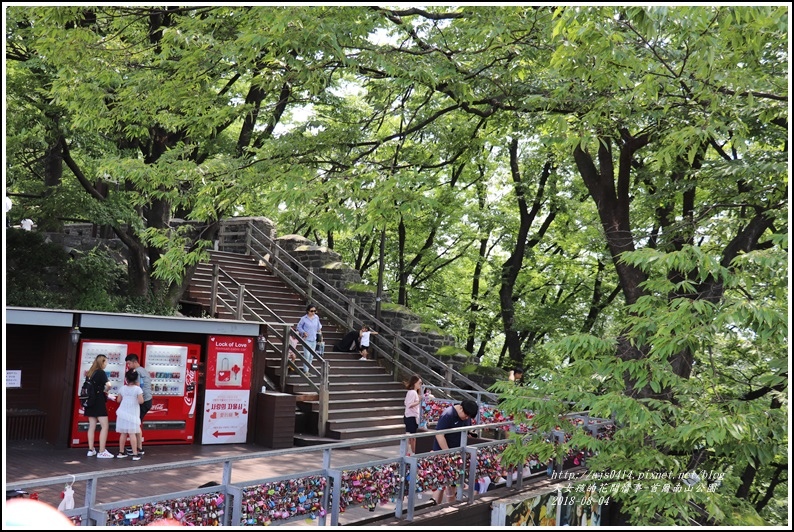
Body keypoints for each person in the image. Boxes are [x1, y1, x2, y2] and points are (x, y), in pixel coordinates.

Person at [431, 399, 479, 504]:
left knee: (452, 484)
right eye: (466, 415)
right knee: (441, 484)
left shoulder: (466, 416)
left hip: (457, 454)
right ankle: (434, 506)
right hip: (444, 453)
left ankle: (451, 506)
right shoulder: (448, 414)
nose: (466, 418)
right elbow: (439, 435)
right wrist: (447, 453)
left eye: (469, 417)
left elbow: (467, 429)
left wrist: (471, 433)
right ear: (461, 408)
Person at [84, 354, 114, 458]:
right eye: (105, 362)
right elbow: (109, 385)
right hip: (98, 401)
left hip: (89, 402)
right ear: (102, 362)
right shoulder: (101, 372)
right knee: (104, 426)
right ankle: (102, 451)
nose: (106, 364)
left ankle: (91, 449)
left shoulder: (90, 373)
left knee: (91, 426)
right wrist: (106, 391)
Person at [125, 354, 152, 455]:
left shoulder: (137, 372)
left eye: (129, 363)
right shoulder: (144, 370)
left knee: (136, 424)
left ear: (135, 362)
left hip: (143, 401)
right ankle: (136, 446)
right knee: (136, 423)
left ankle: (139, 448)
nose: (128, 366)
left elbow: (137, 386)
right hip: (147, 400)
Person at [115, 369, 144, 461]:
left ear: (126, 379)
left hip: (123, 412)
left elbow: (118, 400)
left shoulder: (122, 388)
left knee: (123, 433)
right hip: (133, 412)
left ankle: (121, 452)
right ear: (136, 379)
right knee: (132, 434)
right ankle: (135, 454)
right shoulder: (138, 389)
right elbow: (141, 401)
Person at [296, 304, 322, 373]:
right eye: (311, 311)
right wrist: (303, 332)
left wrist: (320, 334)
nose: (313, 312)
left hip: (314, 339)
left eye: (314, 311)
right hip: (306, 339)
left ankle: (308, 369)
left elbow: (319, 327)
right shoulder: (304, 318)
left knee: (311, 356)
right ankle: (305, 370)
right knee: (306, 355)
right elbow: (298, 327)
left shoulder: (316, 317)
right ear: (308, 311)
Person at [403, 375, 422, 455]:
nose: (420, 385)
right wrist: (418, 401)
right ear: (415, 383)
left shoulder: (411, 392)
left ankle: (407, 452)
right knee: (412, 437)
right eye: (419, 383)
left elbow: (406, 402)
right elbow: (409, 404)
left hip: (409, 416)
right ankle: (414, 453)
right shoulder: (412, 392)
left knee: (410, 436)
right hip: (411, 416)